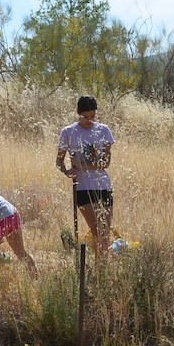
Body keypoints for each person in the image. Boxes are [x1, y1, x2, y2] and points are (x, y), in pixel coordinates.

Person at [56, 95, 116, 255]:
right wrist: (67, 171)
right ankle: (98, 271)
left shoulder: (103, 130)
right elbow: (59, 161)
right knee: (98, 231)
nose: (89, 120)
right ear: (78, 113)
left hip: (103, 186)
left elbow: (106, 163)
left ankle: (101, 271)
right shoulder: (68, 132)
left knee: (105, 234)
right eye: (85, 117)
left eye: (92, 116)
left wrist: (81, 165)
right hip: (82, 188)